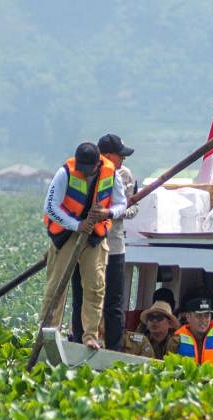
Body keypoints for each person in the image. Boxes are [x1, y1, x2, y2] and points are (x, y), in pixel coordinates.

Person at [40, 141, 127, 349]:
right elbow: (50, 207)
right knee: (56, 286)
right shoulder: (65, 173)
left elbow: (121, 203)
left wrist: (108, 213)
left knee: (95, 287)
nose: (85, 174)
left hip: (94, 236)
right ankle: (48, 333)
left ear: (97, 164)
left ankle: (90, 336)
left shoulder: (111, 174)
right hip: (66, 233)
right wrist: (77, 224)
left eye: (89, 170)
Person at [69, 134, 137, 350]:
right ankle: (80, 342)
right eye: (120, 156)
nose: (123, 161)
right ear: (108, 156)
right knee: (82, 297)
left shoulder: (125, 176)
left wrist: (109, 213)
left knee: (113, 303)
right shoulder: (80, 172)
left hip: (114, 246)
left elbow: (132, 209)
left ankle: (114, 349)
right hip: (85, 245)